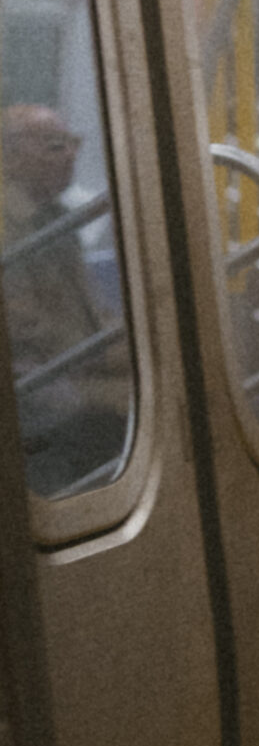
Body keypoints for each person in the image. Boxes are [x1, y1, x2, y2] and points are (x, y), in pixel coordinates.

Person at [2, 103, 132, 496]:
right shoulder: (8, 230)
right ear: (10, 157)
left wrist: (128, 345)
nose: (71, 155)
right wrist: (112, 355)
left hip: (75, 361)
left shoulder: (54, 215)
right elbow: (28, 332)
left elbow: (94, 308)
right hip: (36, 381)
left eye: (73, 143)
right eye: (55, 146)